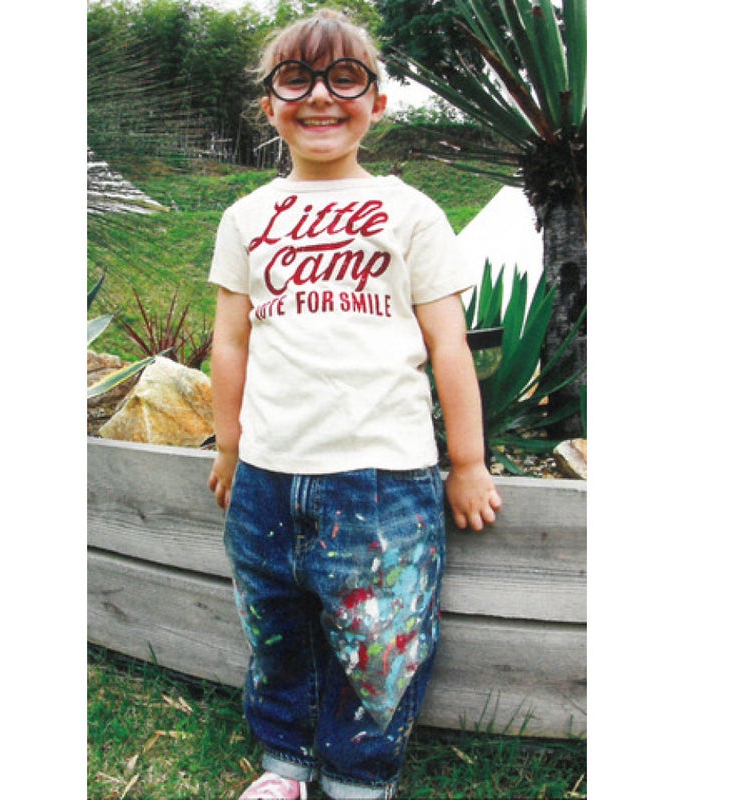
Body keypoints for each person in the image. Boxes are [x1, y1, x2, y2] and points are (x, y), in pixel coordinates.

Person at [207, 10, 502, 800]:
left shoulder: (411, 211)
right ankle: (287, 764)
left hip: (382, 479)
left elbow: (448, 345)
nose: (320, 97)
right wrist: (229, 447)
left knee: (382, 640)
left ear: (377, 101)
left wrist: (468, 461)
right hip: (267, 475)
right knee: (276, 626)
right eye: (295, 79)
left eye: (345, 78)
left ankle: (358, 778)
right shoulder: (246, 217)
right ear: (269, 105)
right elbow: (230, 344)